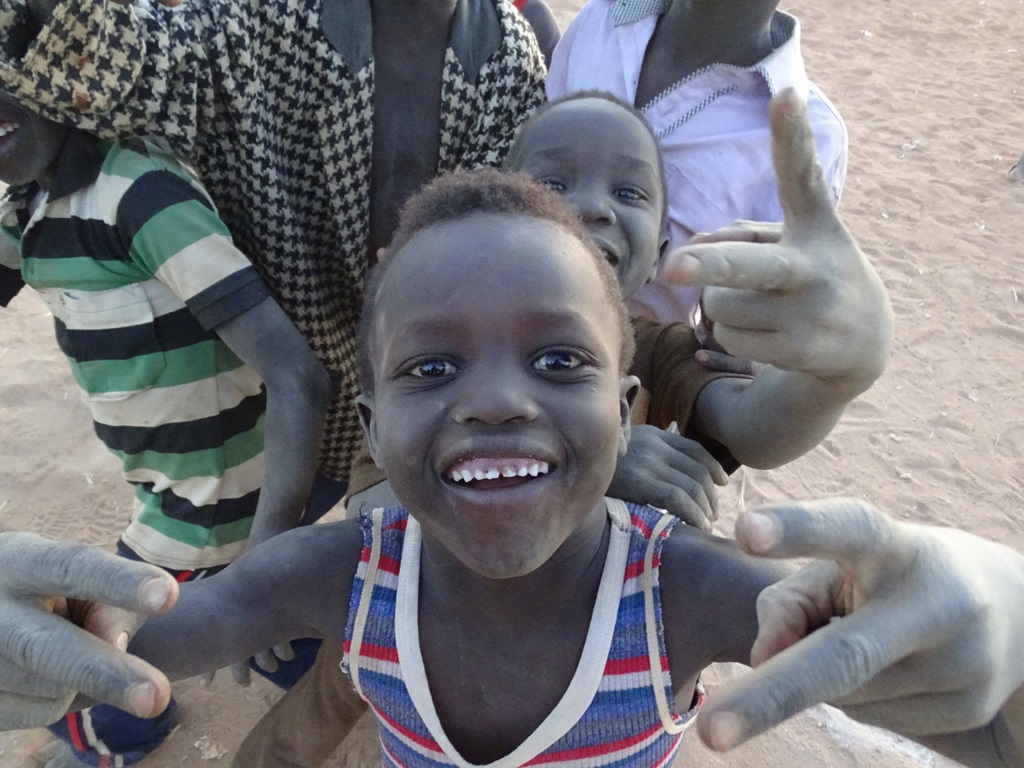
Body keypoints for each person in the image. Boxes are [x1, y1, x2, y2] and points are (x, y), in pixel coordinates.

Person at [0, 169, 1022, 768]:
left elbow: (956, 700)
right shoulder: (342, 571)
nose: (493, 399)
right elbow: (124, 642)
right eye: (432, 365)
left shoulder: (680, 590)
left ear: (625, 416)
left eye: (558, 359)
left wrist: (1003, 622)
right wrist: (48, 636)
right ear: (373, 423)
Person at [1, 0, 548, 508]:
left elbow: (484, 245)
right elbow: (129, 70)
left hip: (426, 402)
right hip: (258, 417)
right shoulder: (266, 17)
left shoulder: (510, 62)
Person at [0, 43, 331, 765]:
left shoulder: (139, 195)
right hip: (174, 475)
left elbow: (297, 375)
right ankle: (345, 659)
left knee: (95, 635)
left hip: (210, 492)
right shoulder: (29, 203)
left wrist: (268, 548)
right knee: (268, 626)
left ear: (66, 70)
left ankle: (112, 733)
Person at [546, 0, 848, 324]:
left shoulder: (810, 132)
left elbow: (765, 306)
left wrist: (728, 355)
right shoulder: (602, 22)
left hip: (646, 361)